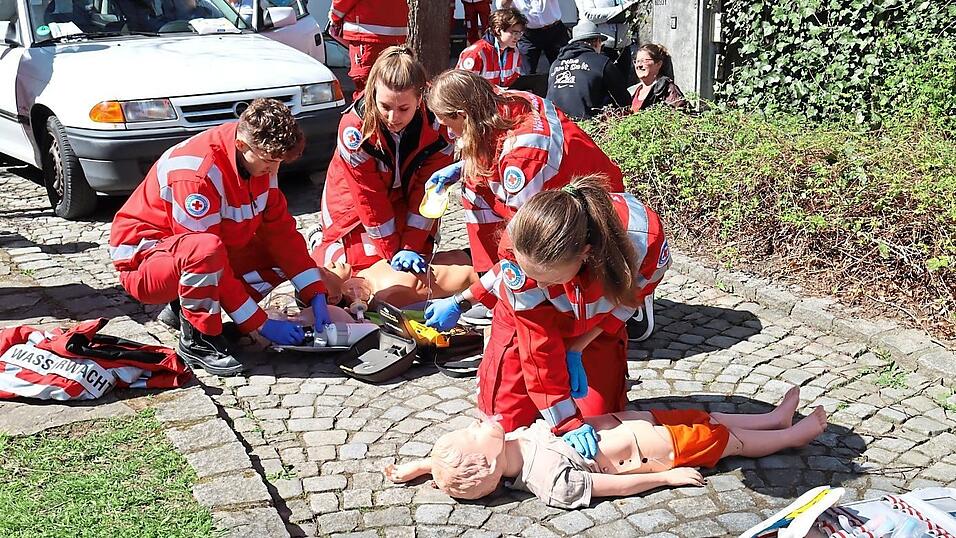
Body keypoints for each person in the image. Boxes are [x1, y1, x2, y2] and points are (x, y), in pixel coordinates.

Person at [427, 175, 669, 445]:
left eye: (549, 279)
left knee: (604, 424)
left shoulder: (644, 241)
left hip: (596, 321)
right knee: (502, 428)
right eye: (532, 275)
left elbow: (630, 300)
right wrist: (565, 422)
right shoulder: (522, 243)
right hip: (525, 320)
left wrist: (578, 346)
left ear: (586, 253)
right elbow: (538, 348)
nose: (538, 284)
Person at [109, 98, 331, 376]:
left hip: (191, 252)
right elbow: (204, 254)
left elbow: (281, 234)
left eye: (278, 163)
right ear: (242, 146)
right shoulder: (196, 175)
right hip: (143, 260)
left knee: (276, 260)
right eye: (269, 163)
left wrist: (315, 292)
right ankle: (198, 339)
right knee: (205, 251)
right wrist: (259, 324)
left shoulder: (258, 158)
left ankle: (183, 309)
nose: (274, 172)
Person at [384, 386, 828, 508]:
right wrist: (665, 478)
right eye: (476, 434)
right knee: (727, 442)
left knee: (706, 417)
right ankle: (790, 436)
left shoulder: (514, 442)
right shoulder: (544, 478)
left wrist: (424, 467)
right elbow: (604, 487)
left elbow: (464, 462)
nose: (482, 423)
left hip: (641, 423)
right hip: (661, 450)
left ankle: (773, 418)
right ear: (486, 463)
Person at [423, 70, 624, 280]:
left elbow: (523, 235)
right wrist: (464, 167)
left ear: (463, 114)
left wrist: (477, 294)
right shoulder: (507, 101)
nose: (451, 135)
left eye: (449, 125)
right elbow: (494, 148)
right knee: (473, 182)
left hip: (593, 212)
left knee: (526, 249)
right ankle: (489, 272)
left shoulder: (524, 158)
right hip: (575, 182)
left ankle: (515, 285)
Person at [311, 47, 460, 296]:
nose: (393, 117)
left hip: (408, 190)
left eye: (404, 108)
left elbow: (429, 193)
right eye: (385, 106)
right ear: (373, 93)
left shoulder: (439, 126)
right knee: (360, 268)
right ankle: (319, 240)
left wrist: (411, 246)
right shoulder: (355, 129)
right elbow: (369, 200)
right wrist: (392, 254)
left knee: (415, 264)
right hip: (353, 201)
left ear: (420, 98)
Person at [546, 19, 631, 120]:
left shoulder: (555, 64)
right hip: (585, 124)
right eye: (601, 44)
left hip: (553, 122)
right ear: (596, 42)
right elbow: (623, 99)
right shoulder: (601, 62)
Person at [328, 0, 409, 100]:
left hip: (366, 33)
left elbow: (342, 3)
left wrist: (334, 16)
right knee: (393, 87)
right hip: (396, 33)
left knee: (366, 90)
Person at [456, 8, 527, 89]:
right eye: (514, 33)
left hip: (501, 99)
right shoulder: (476, 53)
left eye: (520, 33)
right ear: (498, 30)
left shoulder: (515, 52)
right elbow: (462, 88)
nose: (518, 37)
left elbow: (514, 82)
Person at [495, 0, 569, 75]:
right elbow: (502, 7)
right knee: (526, 72)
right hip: (528, 34)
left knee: (563, 68)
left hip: (555, 30)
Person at [574, 0, 642, 81]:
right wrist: (620, 10)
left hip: (623, 47)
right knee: (600, 87)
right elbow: (590, 14)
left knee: (622, 88)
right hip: (600, 48)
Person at [632, 43, 687, 112]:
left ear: (658, 64)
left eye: (644, 61)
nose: (639, 65)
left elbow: (680, 115)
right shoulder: (633, 91)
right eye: (637, 61)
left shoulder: (666, 89)